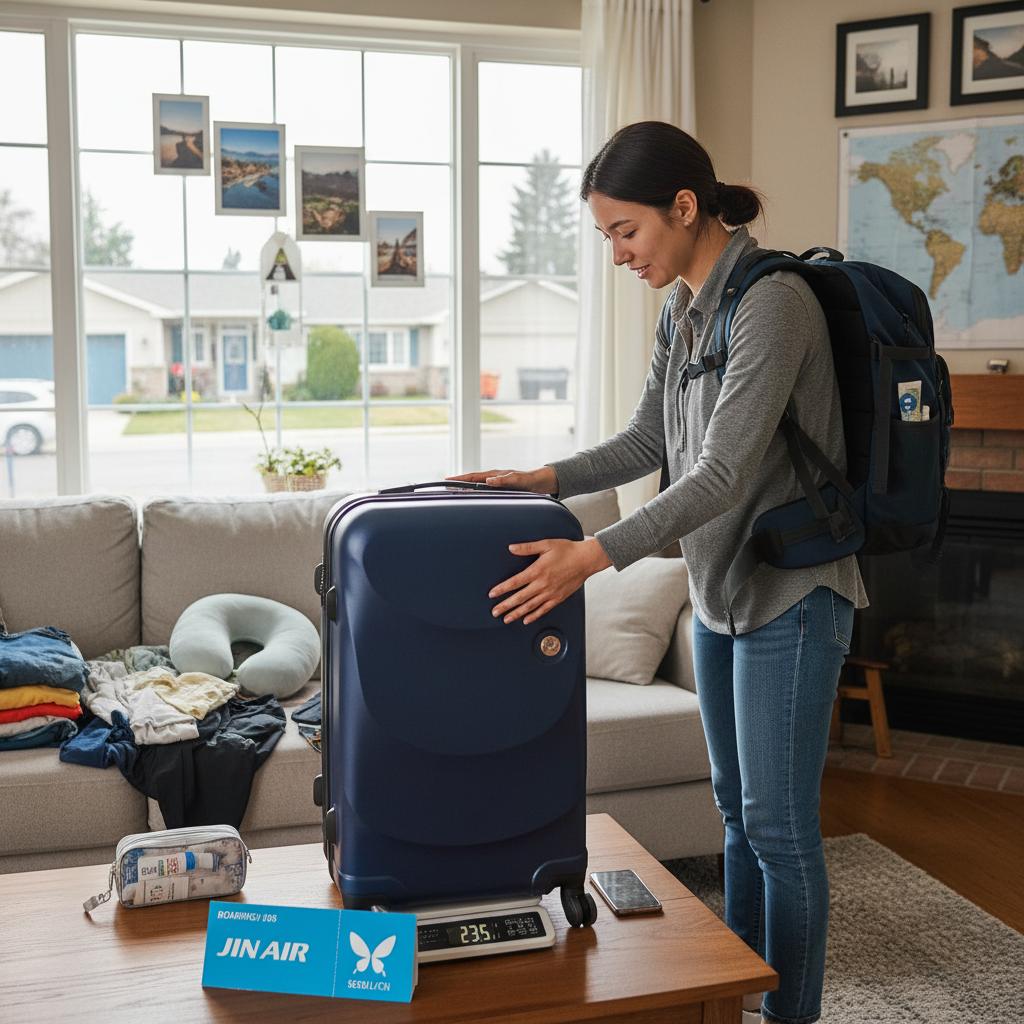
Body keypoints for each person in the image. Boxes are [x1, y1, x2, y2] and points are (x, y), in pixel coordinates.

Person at [449, 120, 868, 1024]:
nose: (617, 254)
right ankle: (738, 994)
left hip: (794, 596)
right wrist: (546, 478)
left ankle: (789, 1015)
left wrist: (592, 555)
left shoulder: (774, 303)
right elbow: (650, 440)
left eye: (625, 231)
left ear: (684, 206)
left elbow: (719, 474)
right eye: (606, 236)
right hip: (720, 595)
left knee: (780, 828)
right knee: (736, 816)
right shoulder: (683, 309)